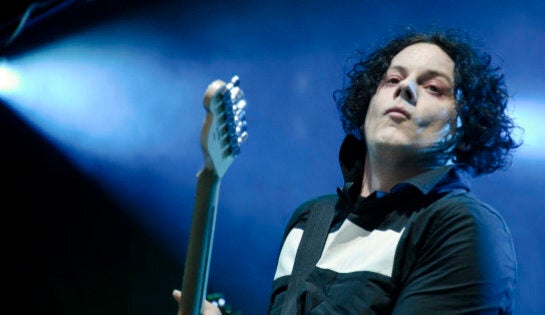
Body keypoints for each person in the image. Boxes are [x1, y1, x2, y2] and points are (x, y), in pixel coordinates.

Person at [175, 25, 521, 314]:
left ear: (466, 126)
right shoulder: (310, 221)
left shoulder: (460, 227)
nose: (406, 88)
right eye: (391, 79)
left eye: (434, 87)